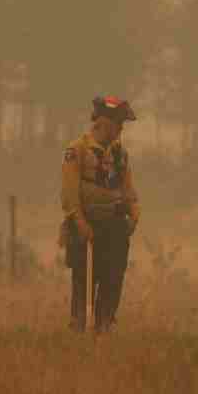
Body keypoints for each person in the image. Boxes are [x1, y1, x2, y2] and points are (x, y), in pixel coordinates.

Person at [60, 95, 140, 332]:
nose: (121, 129)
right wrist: (80, 222)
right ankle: (78, 325)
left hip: (114, 226)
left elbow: (128, 190)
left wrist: (134, 214)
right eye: (118, 123)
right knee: (83, 278)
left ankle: (104, 324)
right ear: (104, 123)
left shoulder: (120, 154)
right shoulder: (77, 150)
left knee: (113, 276)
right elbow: (69, 193)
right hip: (85, 225)